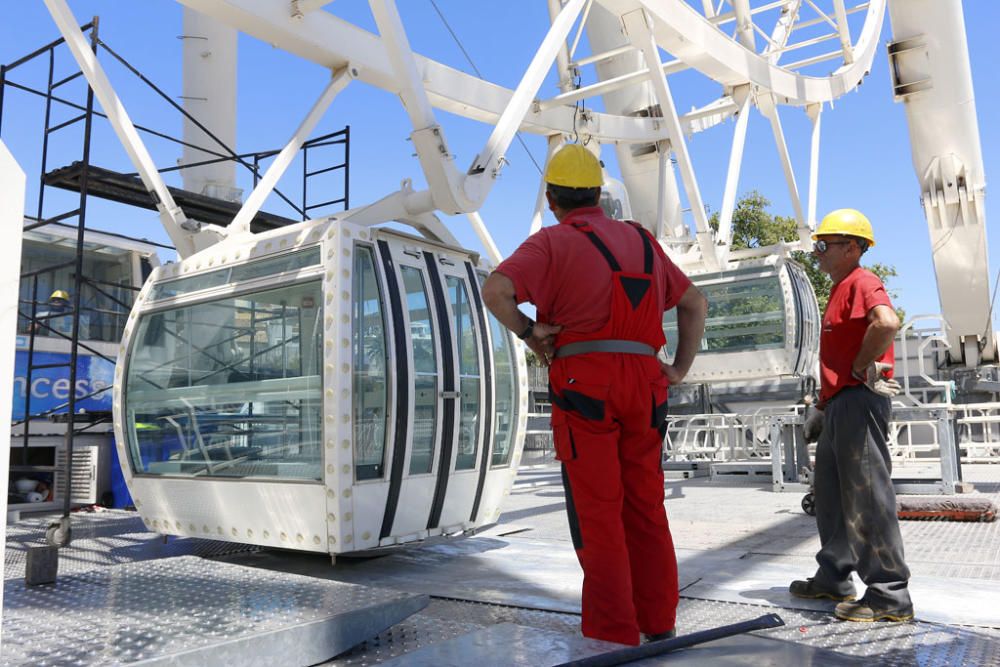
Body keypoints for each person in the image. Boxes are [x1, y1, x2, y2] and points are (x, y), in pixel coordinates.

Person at [482, 144, 707, 646]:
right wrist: (678, 369)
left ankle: (613, 633)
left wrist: (529, 331)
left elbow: (495, 291)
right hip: (646, 385)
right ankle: (659, 623)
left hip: (587, 384)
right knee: (646, 507)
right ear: (599, 196)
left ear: (553, 198)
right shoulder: (644, 242)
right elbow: (695, 303)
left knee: (598, 510)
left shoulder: (551, 242)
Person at [792, 208, 913, 622]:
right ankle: (833, 576)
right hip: (840, 404)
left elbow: (886, 323)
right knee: (829, 493)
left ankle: (889, 593)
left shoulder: (862, 281)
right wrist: (823, 407)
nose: (818, 253)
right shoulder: (842, 287)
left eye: (824, 246)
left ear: (852, 248)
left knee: (867, 496)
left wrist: (863, 366)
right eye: (816, 246)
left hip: (858, 401)